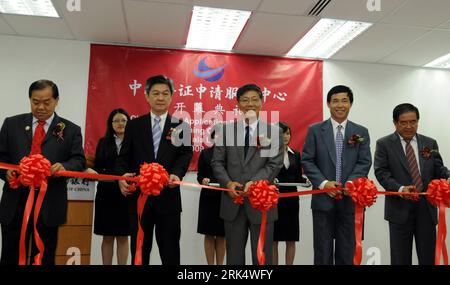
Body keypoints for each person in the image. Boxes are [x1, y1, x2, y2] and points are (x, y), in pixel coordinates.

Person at [0, 79, 86, 265]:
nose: (40, 107)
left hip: (49, 203)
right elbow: (2, 158)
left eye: (46, 102)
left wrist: (65, 167)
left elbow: (79, 160)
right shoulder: (11, 124)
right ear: (29, 99)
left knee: (44, 256)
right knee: (10, 255)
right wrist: (5, 173)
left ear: (56, 101)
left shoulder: (70, 130)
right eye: (35, 101)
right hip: (15, 203)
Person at [117, 75, 192, 265]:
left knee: (170, 251)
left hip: (168, 199)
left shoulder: (181, 126)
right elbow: (123, 157)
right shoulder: (134, 125)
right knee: (140, 250)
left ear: (172, 96)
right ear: (147, 96)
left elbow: (184, 155)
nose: (160, 98)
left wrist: (176, 173)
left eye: (165, 93)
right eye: (156, 93)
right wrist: (122, 176)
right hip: (140, 198)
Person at [211, 83, 284, 265]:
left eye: (254, 99)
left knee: (262, 257)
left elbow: (274, 164)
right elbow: (217, 162)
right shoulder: (225, 131)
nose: (249, 104)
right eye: (245, 100)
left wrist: (255, 182)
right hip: (232, 202)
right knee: (234, 258)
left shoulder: (274, 132)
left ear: (262, 102)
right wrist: (228, 183)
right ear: (238, 104)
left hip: (261, 203)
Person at [301, 85, 372, 265]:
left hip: (350, 202)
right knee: (322, 252)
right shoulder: (315, 130)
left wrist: (349, 183)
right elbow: (307, 160)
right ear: (328, 104)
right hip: (323, 202)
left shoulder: (361, 132)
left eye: (344, 101)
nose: (340, 105)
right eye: (335, 101)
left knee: (347, 252)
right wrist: (324, 184)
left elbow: (364, 162)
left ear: (350, 104)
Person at [374, 103, 450, 265]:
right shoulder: (384, 144)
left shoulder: (430, 143)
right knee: (400, 259)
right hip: (399, 210)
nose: (409, 126)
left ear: (418, 122)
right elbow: (381, 172)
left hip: (426, 210)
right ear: (395, 123)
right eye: (403, 122)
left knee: (429, 257)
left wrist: (448, 177)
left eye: (413, 121)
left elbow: (439, 169)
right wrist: (400, 188)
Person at [88, 108, 131, 265]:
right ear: (110, 124)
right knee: (107, 236)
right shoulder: (103, 142)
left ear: (128, 123)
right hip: (106, 193)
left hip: (126, 193)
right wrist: (117, 176)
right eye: (116, 120)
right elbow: (100, 168)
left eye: (123, 120)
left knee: (123, 236)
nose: (120, 123)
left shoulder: (134, 142)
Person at [272, 122, 307, 265]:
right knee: (274, 239)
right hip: (274, 200)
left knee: (291, 238)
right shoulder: (270, 154)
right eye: (282, 134)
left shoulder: (296, 154)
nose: (285, 136)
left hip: (292, 200)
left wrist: (305, 181)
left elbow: (298, 177)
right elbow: (265, 174)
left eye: (287, 133)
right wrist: (270, 180)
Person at [196, 130, 225, 265]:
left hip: (224, 197)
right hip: (208, 197)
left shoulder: (229, 155)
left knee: (221, 235)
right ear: (213, 138)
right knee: (208, 233)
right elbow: (199, 176)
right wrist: (203, 179)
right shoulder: (205, 153)